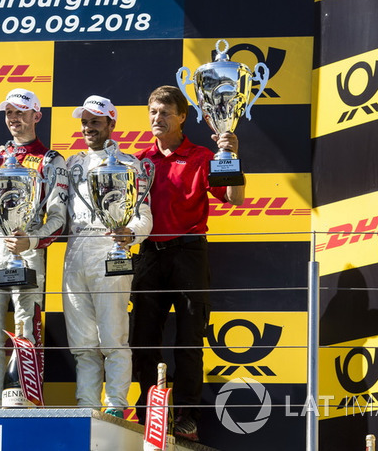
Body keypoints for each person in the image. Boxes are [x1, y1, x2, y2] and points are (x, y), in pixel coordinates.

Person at [131, 85, 245, 442]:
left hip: (189, 252)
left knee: (189, 340)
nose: (157, 119)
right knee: (143, 339)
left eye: (165, 113)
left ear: (182, 117)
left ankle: (186, 418)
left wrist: (232, 157)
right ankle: (149, 412)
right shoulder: (139, 160)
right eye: (153, 112)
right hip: (149, 253)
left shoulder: (201, 156)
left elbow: (233, 198)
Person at [0, 88, 68, 406]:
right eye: (9, 113)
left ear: (36, 116)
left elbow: (58, 216)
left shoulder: (51, 159)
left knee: (25, 334)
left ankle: (25, 407)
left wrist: (33, 240)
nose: (14, 119)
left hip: (26, 248)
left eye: (21, 112)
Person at [63, 95, 152, 418]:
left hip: (111, 250)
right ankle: (87, 406)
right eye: (84, 122)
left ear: (112, 124)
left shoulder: (130, 164)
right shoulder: (71, 164)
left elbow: (144, 216)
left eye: (95, 121)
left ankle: (116, 405)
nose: (88, 128)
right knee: (83, 343)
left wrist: (130, 234)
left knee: (113, 336)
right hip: (75, 252)